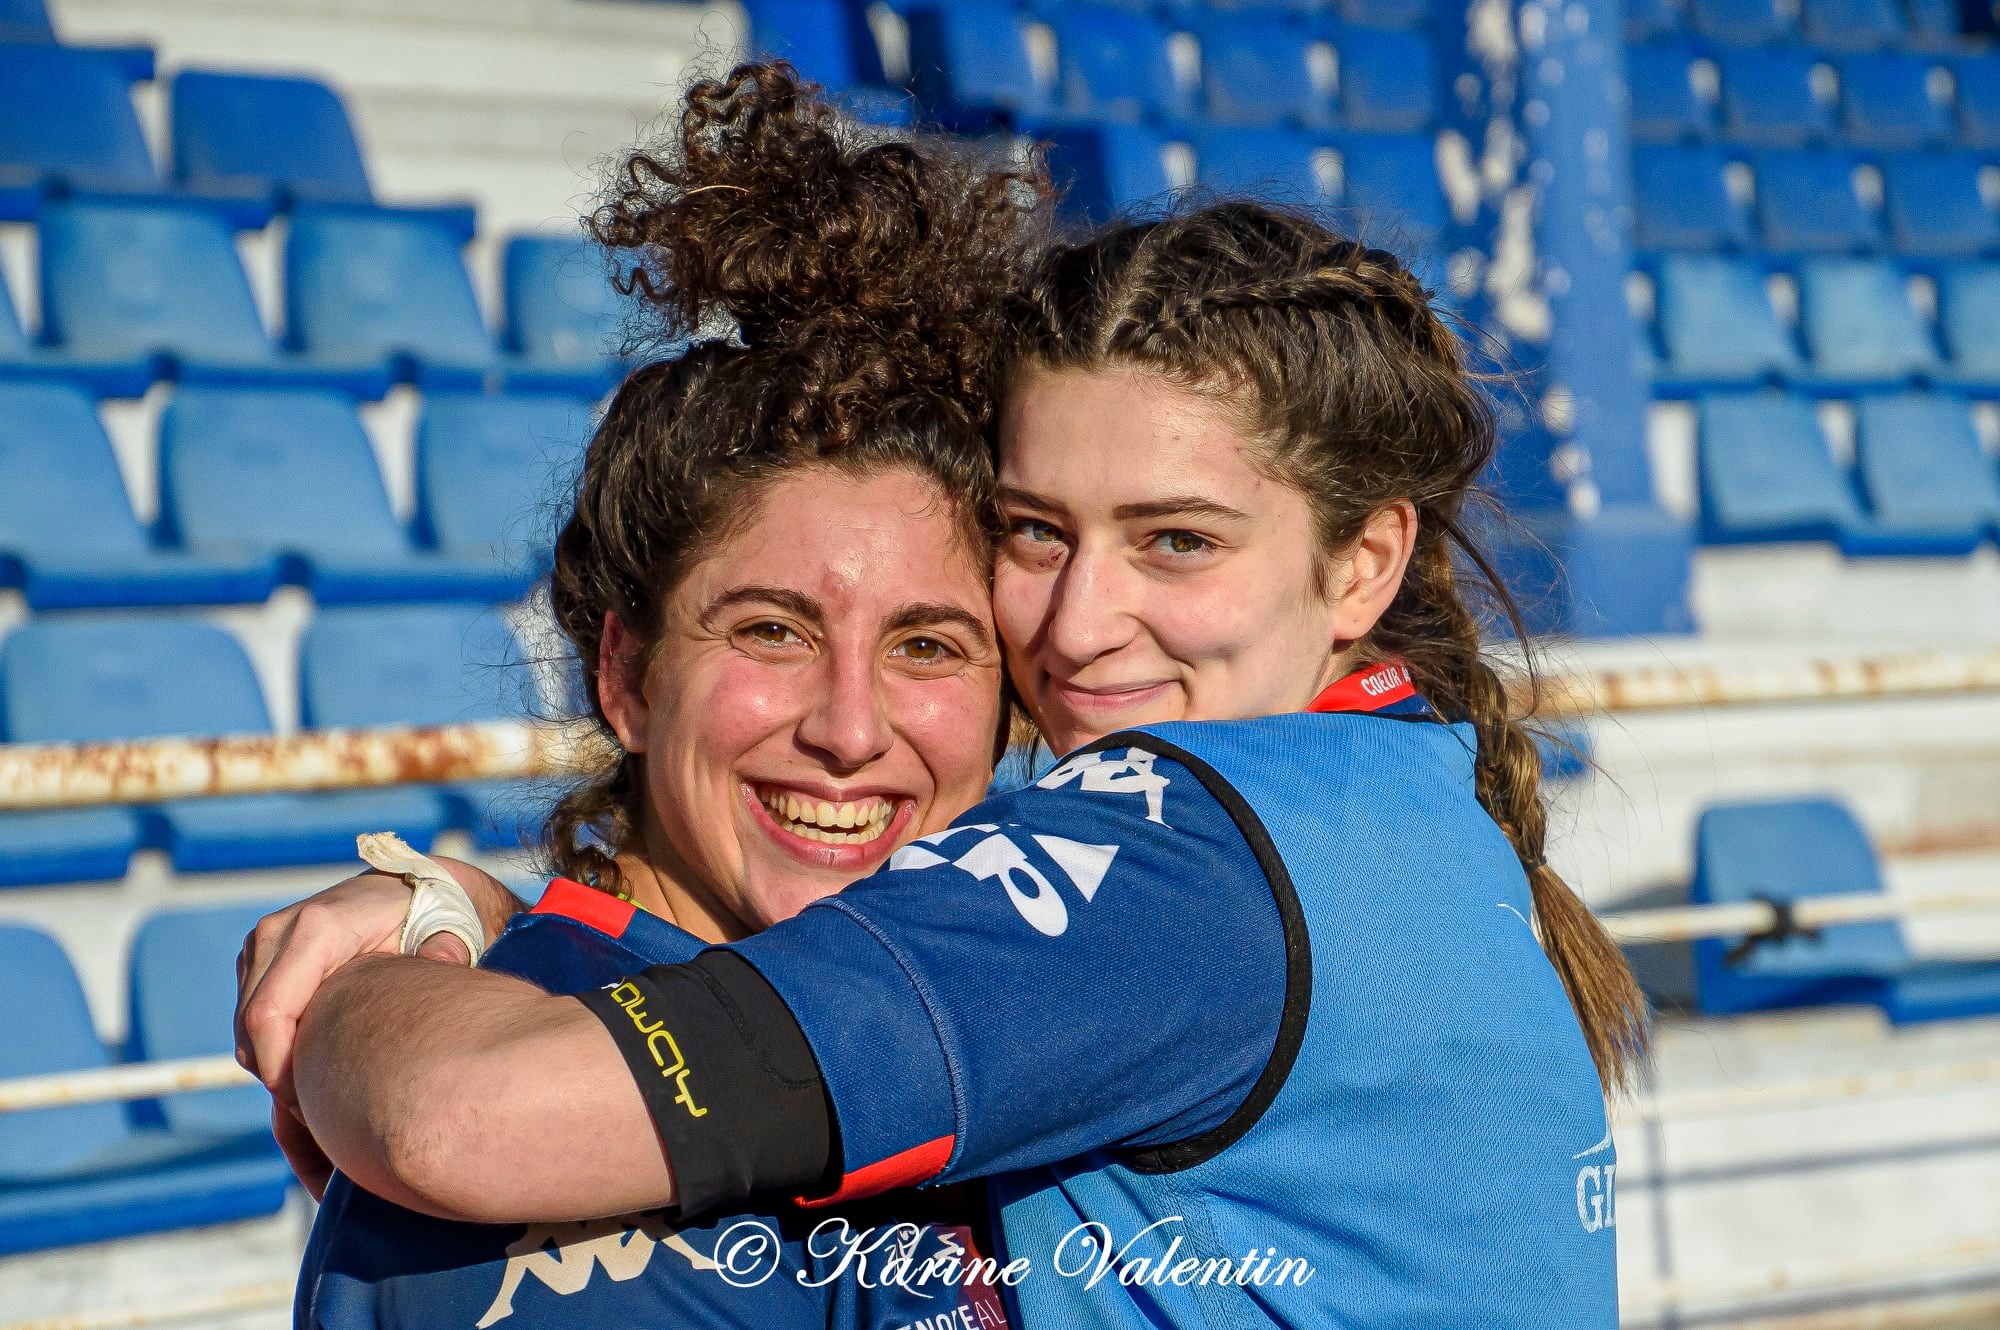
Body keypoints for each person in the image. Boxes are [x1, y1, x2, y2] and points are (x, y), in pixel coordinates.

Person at [242, 62, 1649, 1330]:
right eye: (1038, 533)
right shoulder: (1384, 792)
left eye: (928, 644)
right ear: (624, 670)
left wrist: (386, 973)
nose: (1083, 623)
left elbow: (453, 1109)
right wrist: (476, 911)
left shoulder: (1168, 861)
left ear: (1364, 565)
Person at [281, 62, 1049, 1329]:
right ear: (627, 678)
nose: (851, 730)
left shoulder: (974, 1005)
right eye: (770, 630)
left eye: (927, 647)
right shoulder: (517, 1131)